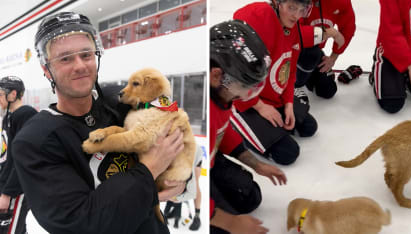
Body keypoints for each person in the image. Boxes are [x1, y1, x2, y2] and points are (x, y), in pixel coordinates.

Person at [12, 12, 186, 234]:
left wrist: (178, 177)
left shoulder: (120, 102)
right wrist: (150, 171)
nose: (80, 65)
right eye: (65, 58)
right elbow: (81, 222)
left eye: (86, 54)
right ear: (46, 69)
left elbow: (175, 131)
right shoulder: (34, 141)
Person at [210, 20, 287, 234]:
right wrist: (230, 223)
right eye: (243, 86)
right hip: (189, 173)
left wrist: (256, 164)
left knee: (249, 197)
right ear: (217, 75)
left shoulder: (221, 94)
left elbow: (221, 131)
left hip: (208, 160)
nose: (245, 94)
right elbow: (182, 187)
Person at [231, 0, 318, 166]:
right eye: (291, 8)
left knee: (309, 127)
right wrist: (259, 106)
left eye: (302, 10)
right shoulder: (258, 17)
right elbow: (232, 72)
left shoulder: (293, 26)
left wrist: (288, 103)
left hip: (270, 95)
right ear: (278, 3)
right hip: (242, 100)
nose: (296, 15)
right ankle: (234, 122)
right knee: (287, 153)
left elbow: (289, 69)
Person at [295, 0, 355, 99]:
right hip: (287, 52)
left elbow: (348, 28)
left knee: (327, 90)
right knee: (311, 52)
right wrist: (328, 32)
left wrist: (333, 57)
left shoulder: (341, 2)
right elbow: (292, 33)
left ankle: (303, 75)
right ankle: (292, 86)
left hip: (312, 51)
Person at [0, 76, 37, 234]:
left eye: (0, 94)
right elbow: (7, 156)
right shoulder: (8, 117)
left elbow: (22, 158)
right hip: (6, 185)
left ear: (13, 94)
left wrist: (8, 193)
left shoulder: (26, 114)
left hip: (16, 189)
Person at [369, 0, 411, 113]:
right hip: (391, 53)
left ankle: (405, 77)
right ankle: (377, 75)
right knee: (392, 103)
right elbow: (391, 33)